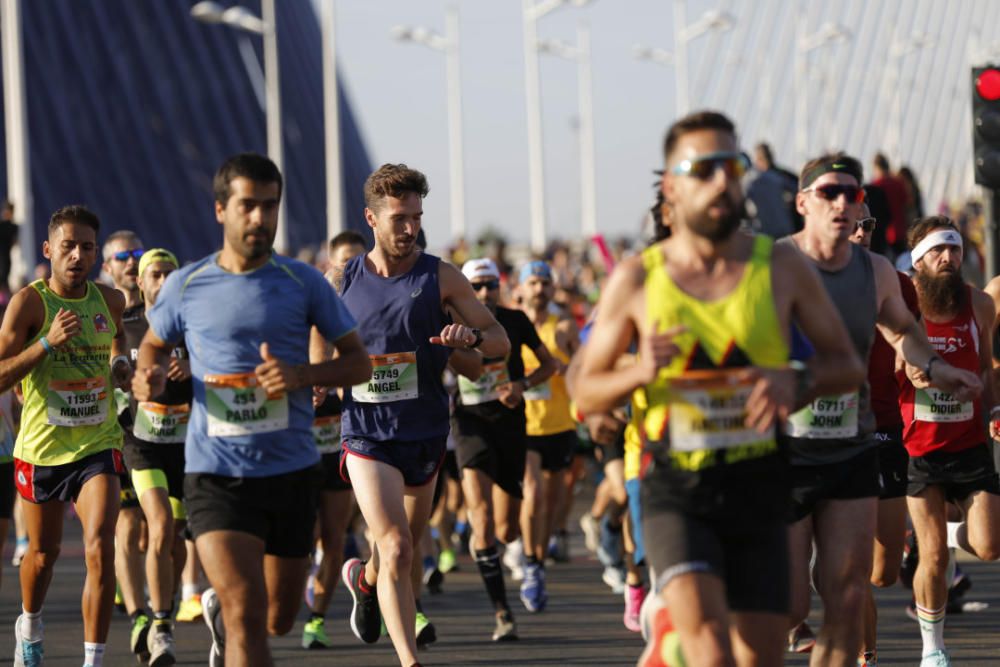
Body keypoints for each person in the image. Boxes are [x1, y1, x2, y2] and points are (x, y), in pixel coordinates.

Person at [570, 111, 866, 666]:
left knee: (757, 657)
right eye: (703, 169)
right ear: (672, 187)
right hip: (676, 486)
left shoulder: (778, 268)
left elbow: (846, 364)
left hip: (759, 481)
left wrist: (795, 378)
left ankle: (671, 642)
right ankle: (675, 631)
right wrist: (639, 371)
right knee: (710, 646)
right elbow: (585, 393)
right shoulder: (637, 278)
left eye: (730, 166)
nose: (722, 181)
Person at [134, 153, 371, 667]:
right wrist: (147, 373)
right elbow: (152, 345)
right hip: (215, 475)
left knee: (277, 618)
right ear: (221, 210)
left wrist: (302, 375)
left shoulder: (302, 282)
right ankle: (229, 614)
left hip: (290, 473)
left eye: (270, 206)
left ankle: (232, 615)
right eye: (248, 206)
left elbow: (359, 364)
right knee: (246, 614)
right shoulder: (188, 284)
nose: (261, 218)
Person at [782, 154, 981, 667]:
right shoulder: (772, 267)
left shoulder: (876, 272)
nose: (844, 203)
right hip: (788, 450)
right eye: (830, 192)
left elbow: (904, 333)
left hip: (854, 445)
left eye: (854, 195)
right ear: (803, 202)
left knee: (851, 592)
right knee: (791, 604)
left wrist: (938, 369)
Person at [338, 163, 509, 667]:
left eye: (416, 216)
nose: (410, 228)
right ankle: (410, 662)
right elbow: (317, 338)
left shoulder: (440, 276)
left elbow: (497, 341)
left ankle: (363, 581)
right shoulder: (343, 279)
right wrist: (319, 383)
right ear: (371, 217)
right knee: (393, 544)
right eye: (398, 218)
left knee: (405, 550)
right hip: (366, 433)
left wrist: (468, 338)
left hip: (425, 431)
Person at [0, 205, 131, 667]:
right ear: (48, 250)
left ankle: (92, 660)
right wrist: (46, 343)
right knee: (42, 554)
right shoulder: (29, 304)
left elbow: (118, 338)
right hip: (42, 449)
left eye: (87, 247)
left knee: (100, 543)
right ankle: (30, 625)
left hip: (98, 444)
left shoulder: (110, 300)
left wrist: (121, 363)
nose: (77, 255)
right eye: (68, 246)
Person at [899, 217, 1000, 667]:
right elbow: (881, 364)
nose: (948, 258)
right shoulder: (902, 305)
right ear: (918, 260)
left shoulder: (979, 304)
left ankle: (938, 531)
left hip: (968, 444)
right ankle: (933, 650)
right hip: (918, 449)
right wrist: (907, 369)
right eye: (938, 251)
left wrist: (994, 410)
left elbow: (984, 366)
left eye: (955, 250)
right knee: (935, 557)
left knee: (990, 546)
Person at [453, 257, 555, 637]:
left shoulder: (515, 321)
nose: (483, 293)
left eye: (489, 285)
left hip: (510, 424)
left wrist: (522, 386)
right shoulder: (450, 323)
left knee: (507, 529)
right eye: (476, 286)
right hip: (469, 423)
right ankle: (502, 612)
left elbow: (551, 365)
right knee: (480, 517)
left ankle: (511, 553)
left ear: (500, 286)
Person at [848, 205, 919, 665]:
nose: (860, 231)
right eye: (851, 223)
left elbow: (917, 336)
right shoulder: (802, 278)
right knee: (851, 570)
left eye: (868, 224)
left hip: (886, 426)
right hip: (832, 432)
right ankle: (865, 657)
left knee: (884, 571)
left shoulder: (895, 281)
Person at [119, 248, 193, 665]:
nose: (162, 281)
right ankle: (159, 625)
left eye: (170, 274)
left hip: (184, 446)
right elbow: (110, 368)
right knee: (159, 525)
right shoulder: (127, 325)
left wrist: (193, 369)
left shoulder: (193, 329)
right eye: (155, 275)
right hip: (141, 443)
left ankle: (167, 595)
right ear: (142, 283)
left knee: (174, 541)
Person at [300, 231, 367, 650]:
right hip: (303, 447)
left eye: (358, 263)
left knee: (334, 536)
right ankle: (301, 575)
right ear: (329, 266)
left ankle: (317, 621)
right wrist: (315, 374)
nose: (350, 271)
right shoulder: (307, 311)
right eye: (343, 263)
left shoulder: (371, 316)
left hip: (343, 442)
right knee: (300, 538)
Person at [101, 229, 154, 661]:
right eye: (122, 257)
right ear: (108, 268)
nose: (131, 263)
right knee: (129, 526)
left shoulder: (158, 315)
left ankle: (134, 583)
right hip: (115, 438)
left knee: (151, 534)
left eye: (137, 254)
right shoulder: (98, 316)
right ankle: (140, 614)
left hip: (157, 434)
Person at [517, 260, 579, 581]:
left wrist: (563, 367)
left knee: (553, 503)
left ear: (553, 289)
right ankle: (529, 557)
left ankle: (538, 559)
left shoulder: (564, 327)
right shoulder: (511, 326)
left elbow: (584, 369)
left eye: (545, 283)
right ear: (520, 289)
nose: (539, 289)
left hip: (559, 424)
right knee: (533, 493)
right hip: (525, 426)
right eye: (533, 283)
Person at [745, 142, 799, 238]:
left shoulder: (750, 180)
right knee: (785, 252)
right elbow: (798, 190)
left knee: (761, 253)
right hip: (785, 230)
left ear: (758, 159)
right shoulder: (782, 177)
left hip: (764, 234)